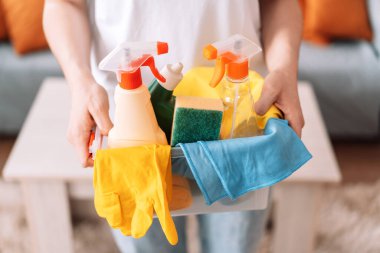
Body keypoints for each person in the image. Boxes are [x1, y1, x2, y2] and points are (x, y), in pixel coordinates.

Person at [43, 0, 305, 252]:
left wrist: (284, 70)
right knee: (146, 240)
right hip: (126, 132)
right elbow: (63, 3)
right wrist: (79, 83)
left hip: (239, 125)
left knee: (234, 245)